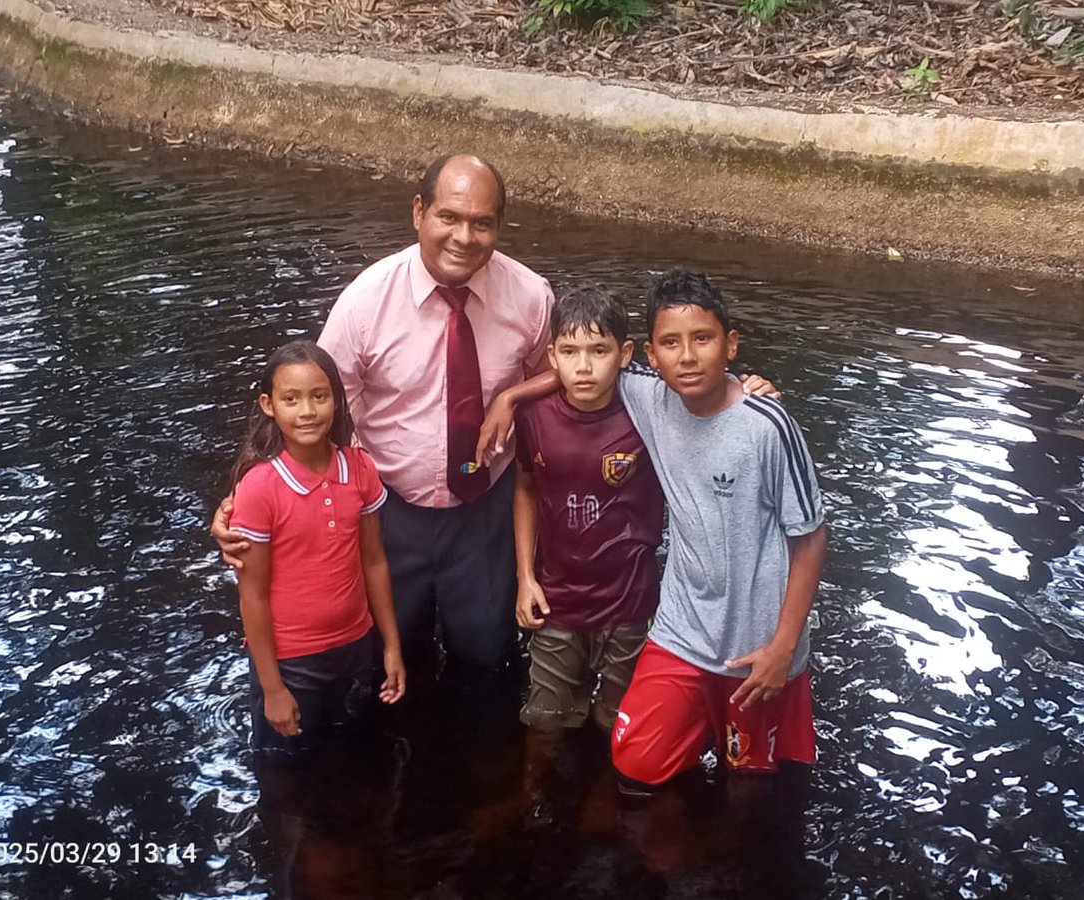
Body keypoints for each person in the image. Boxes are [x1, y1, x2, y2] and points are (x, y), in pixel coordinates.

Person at [482, 269, 825, 788]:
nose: (686, 357)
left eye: (702, 339)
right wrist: (510, 397)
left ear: (730, 345)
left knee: (751, 781)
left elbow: (811, 538)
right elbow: (586, 362)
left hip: (757, 638)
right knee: (636, 764)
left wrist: (783, 646)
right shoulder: (648, 395)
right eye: (670, 343)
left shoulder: (767, 426)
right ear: (649, 355)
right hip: (682, 630)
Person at [214, 154, 554, 672]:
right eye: (449, 217)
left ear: (499, 226)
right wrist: (243, 493)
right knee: (392, 657)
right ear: (419, 212)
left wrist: (511, 397)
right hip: (388, 510)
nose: (464, 237)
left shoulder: (529, 297)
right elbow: (310, 408)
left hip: (486, 506)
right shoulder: (365, 304)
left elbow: (558, 377)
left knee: (488, 654)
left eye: (481, 223)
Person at [512, 285, 664, 815]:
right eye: (570, 351)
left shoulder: (650, 412)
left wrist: (749, 386)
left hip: (631, 599)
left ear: (624, 354)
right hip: (558, 597)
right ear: (551, 355)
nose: (584, 366)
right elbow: (525, 488)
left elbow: (705, 395)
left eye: (599, 351)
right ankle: (531, 797)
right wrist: (525, 578)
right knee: (545, 716)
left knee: (618, 716)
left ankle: (603, 800)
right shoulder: (534, 417)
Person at [230, 341, 405, 763]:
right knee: (287, 770)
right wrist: (273, 688)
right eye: (291, 399)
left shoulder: (359, 468)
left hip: (355, 647)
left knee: (353, 757)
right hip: (292, 662)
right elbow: (252, 595)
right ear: (269, 405)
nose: (307, 411)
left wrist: (390, 645)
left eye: (319, 396)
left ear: (337, 401)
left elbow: (374, 561)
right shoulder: (260, 487)